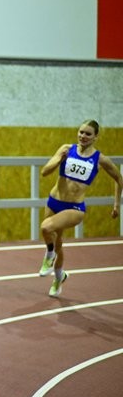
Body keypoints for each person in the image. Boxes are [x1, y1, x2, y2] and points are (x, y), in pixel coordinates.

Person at [38, 120, 123, 297]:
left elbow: (119, 179)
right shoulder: (66, 149)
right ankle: (59, 277)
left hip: (75, 207)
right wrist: (59, 160)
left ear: (96, 137)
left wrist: (116, 204)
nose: (83, 136)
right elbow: (45, 172)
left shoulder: (100, 159)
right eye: (81, 132)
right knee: (58, 242)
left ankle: (49, 255)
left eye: (88, 134)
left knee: (46, 227)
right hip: (54, 201)